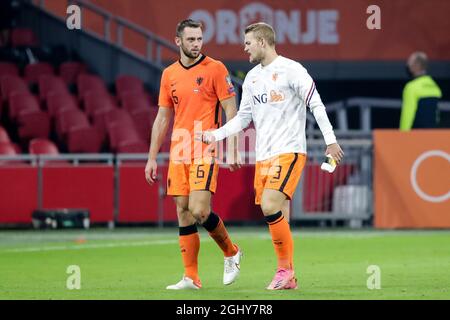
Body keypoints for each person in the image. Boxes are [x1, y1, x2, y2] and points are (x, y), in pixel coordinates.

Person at [199, 22, 344, 290]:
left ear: (262, 42)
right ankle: (289, 275)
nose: (245, 48)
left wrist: (330, 140)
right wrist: (215, 135)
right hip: (263, 156)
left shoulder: (293, 70)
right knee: (280, 215)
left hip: (288, 151)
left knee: (269, 205)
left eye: (248, 43)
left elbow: (316, 104)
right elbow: (243, 118)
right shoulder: (253, 78)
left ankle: (282, 271)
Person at [145, 19, 242, 290]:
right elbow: (162, 118)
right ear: (178, 41)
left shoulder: (216, 69)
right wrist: (152, 157)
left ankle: (231, 252)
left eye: (199, 39)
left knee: (200, 210)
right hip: (179, 149)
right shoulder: (169, 75)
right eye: (191, 40)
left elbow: (231, 112)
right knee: (183, 211)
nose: (196, 44)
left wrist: (233, 147)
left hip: (205, 148)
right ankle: (191, 276)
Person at [400, 51, 442, 130]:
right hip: (433, 136)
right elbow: (437, 117)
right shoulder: (435, 87)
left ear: (417, 66)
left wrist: (402, 137)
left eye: (409, 63)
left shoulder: (411, 87)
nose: (408, 66)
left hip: (416, 137)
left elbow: (407, 116)